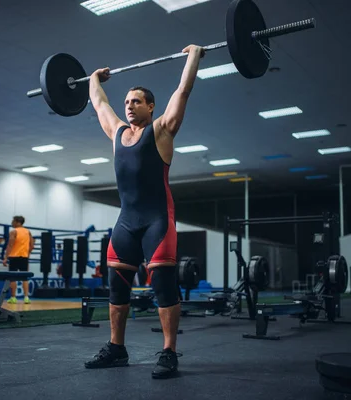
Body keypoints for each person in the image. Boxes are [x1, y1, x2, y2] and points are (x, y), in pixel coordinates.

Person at [84, 44, 205, 379]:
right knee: (116, 288)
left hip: (157, 222)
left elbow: (184, 90)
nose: (130, 106)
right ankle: (116, 348)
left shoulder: (162, 130)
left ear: (151, 106)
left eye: (136, 101)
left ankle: (168, 352)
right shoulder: (117, 132)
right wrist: (94, 78)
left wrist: (193, 56)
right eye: (127, 102)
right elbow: (99, 103)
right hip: (126, 222)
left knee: (164, 288)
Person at [3, 216, 34, 304]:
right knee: (25, 278)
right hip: (24, 257)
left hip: (14, 257)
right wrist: (27, 254)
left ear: (17, 222)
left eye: (13, 221)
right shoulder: (28, 232)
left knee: (13, 278)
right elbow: (32, 245)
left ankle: (13, 298)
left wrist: (5, 258)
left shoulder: (13, 232)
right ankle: (26, 298)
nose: (12, 223)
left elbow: (10, 245)